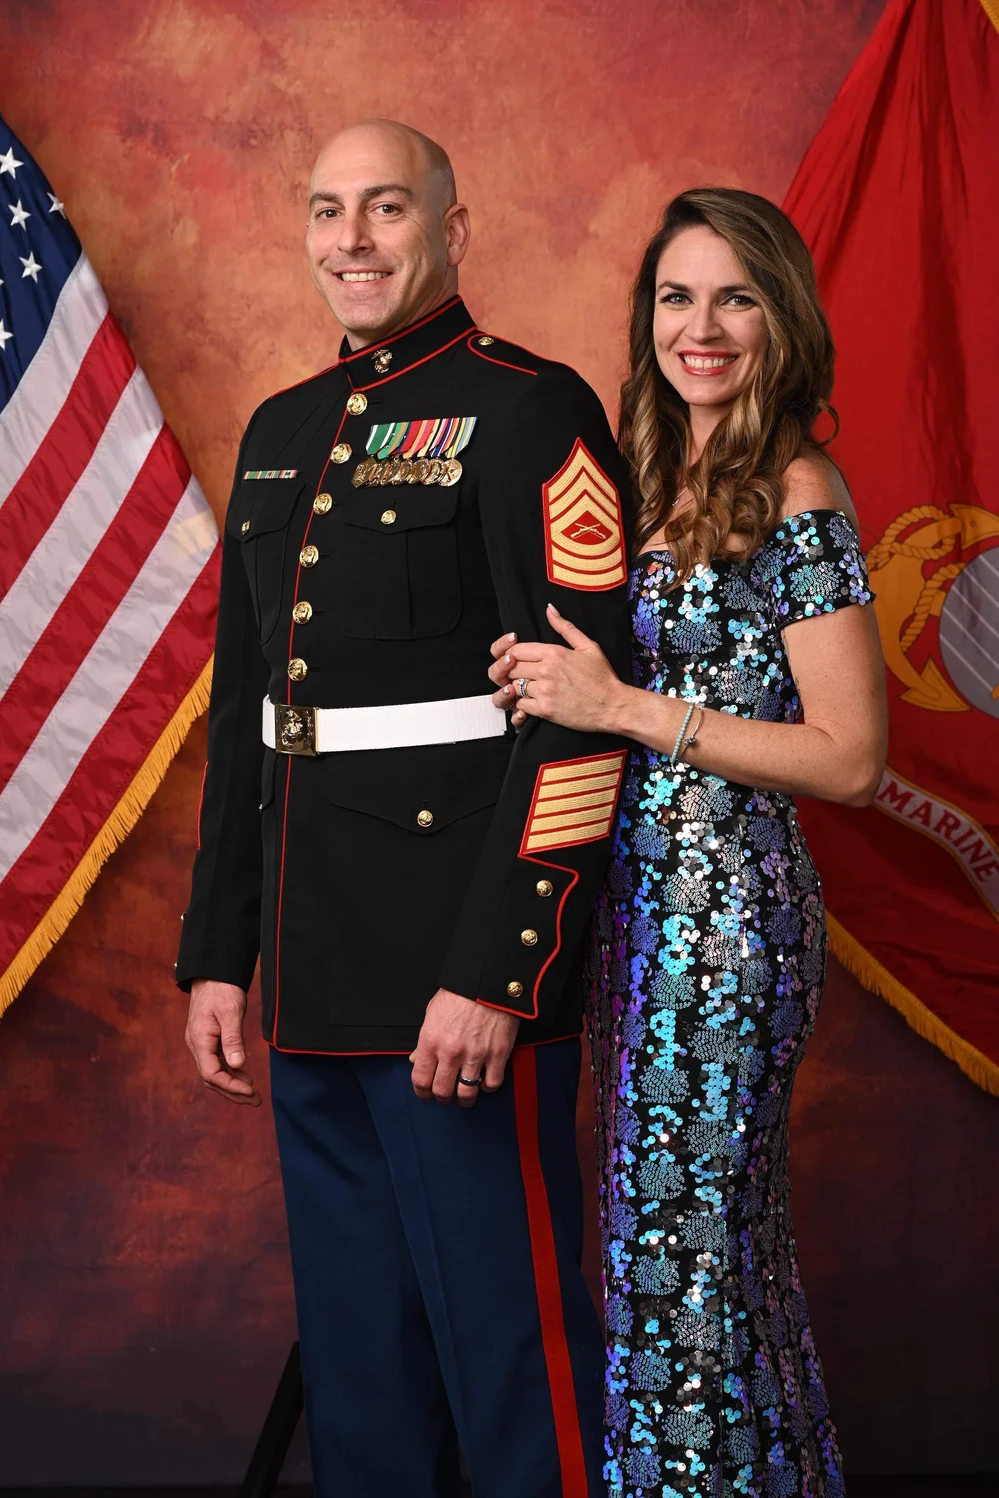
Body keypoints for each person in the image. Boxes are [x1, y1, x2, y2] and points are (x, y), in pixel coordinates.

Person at [175, 118, 634, 1497]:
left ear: (451, 224)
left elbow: (578, 723)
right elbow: (252, 718)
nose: (351, 240)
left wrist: (500, 974)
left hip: (459, 981)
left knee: (511, 1355)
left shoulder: (531, 409)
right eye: (327, 211)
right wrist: (218, 948)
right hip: (313, 983)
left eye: (384, 208)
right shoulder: (279, 432)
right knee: (363, 1374)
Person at [489, 188, 887, 1498]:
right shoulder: (648, 471)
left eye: (735, 296)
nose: (700, 325)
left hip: (727, 930)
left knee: (692, 1266)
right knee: (666, 1258)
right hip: (636, 918)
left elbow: (849, 754)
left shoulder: (795, 483)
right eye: (675, 295)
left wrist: (622, 705)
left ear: (783, 320)